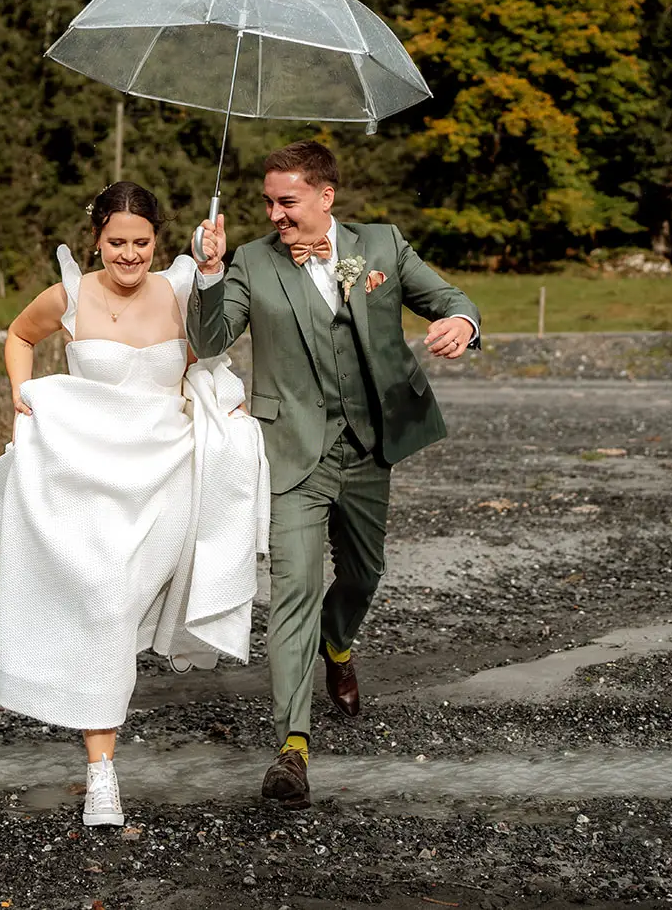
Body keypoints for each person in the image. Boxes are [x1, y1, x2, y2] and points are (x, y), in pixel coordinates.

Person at [0, 181, 267, 829]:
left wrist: (210, 271)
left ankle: (105, 709)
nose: (129, 255)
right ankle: (102, 771)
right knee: (102, 606)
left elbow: (209, 353)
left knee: (120, 606)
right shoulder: (70, 296)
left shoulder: (180, 291)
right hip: (87, 476)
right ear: (96, 237)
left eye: (142, 242)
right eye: (117, 242)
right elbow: (18, 335)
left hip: (164, 474)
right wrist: (21, 391)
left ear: (159, 239)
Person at [188, 140, 480, 810]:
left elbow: (451, 298)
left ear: (326, 196)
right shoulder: (251, 262)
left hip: (369, 445)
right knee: (292, 590)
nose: (275, 213)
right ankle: (292, 745)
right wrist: (207, 272)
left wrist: (461, 323)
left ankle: (339, 641)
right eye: (268, 201)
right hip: (290, 450)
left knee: (363, 572)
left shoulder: (381, 246)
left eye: (287, 201)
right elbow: (210, 340)